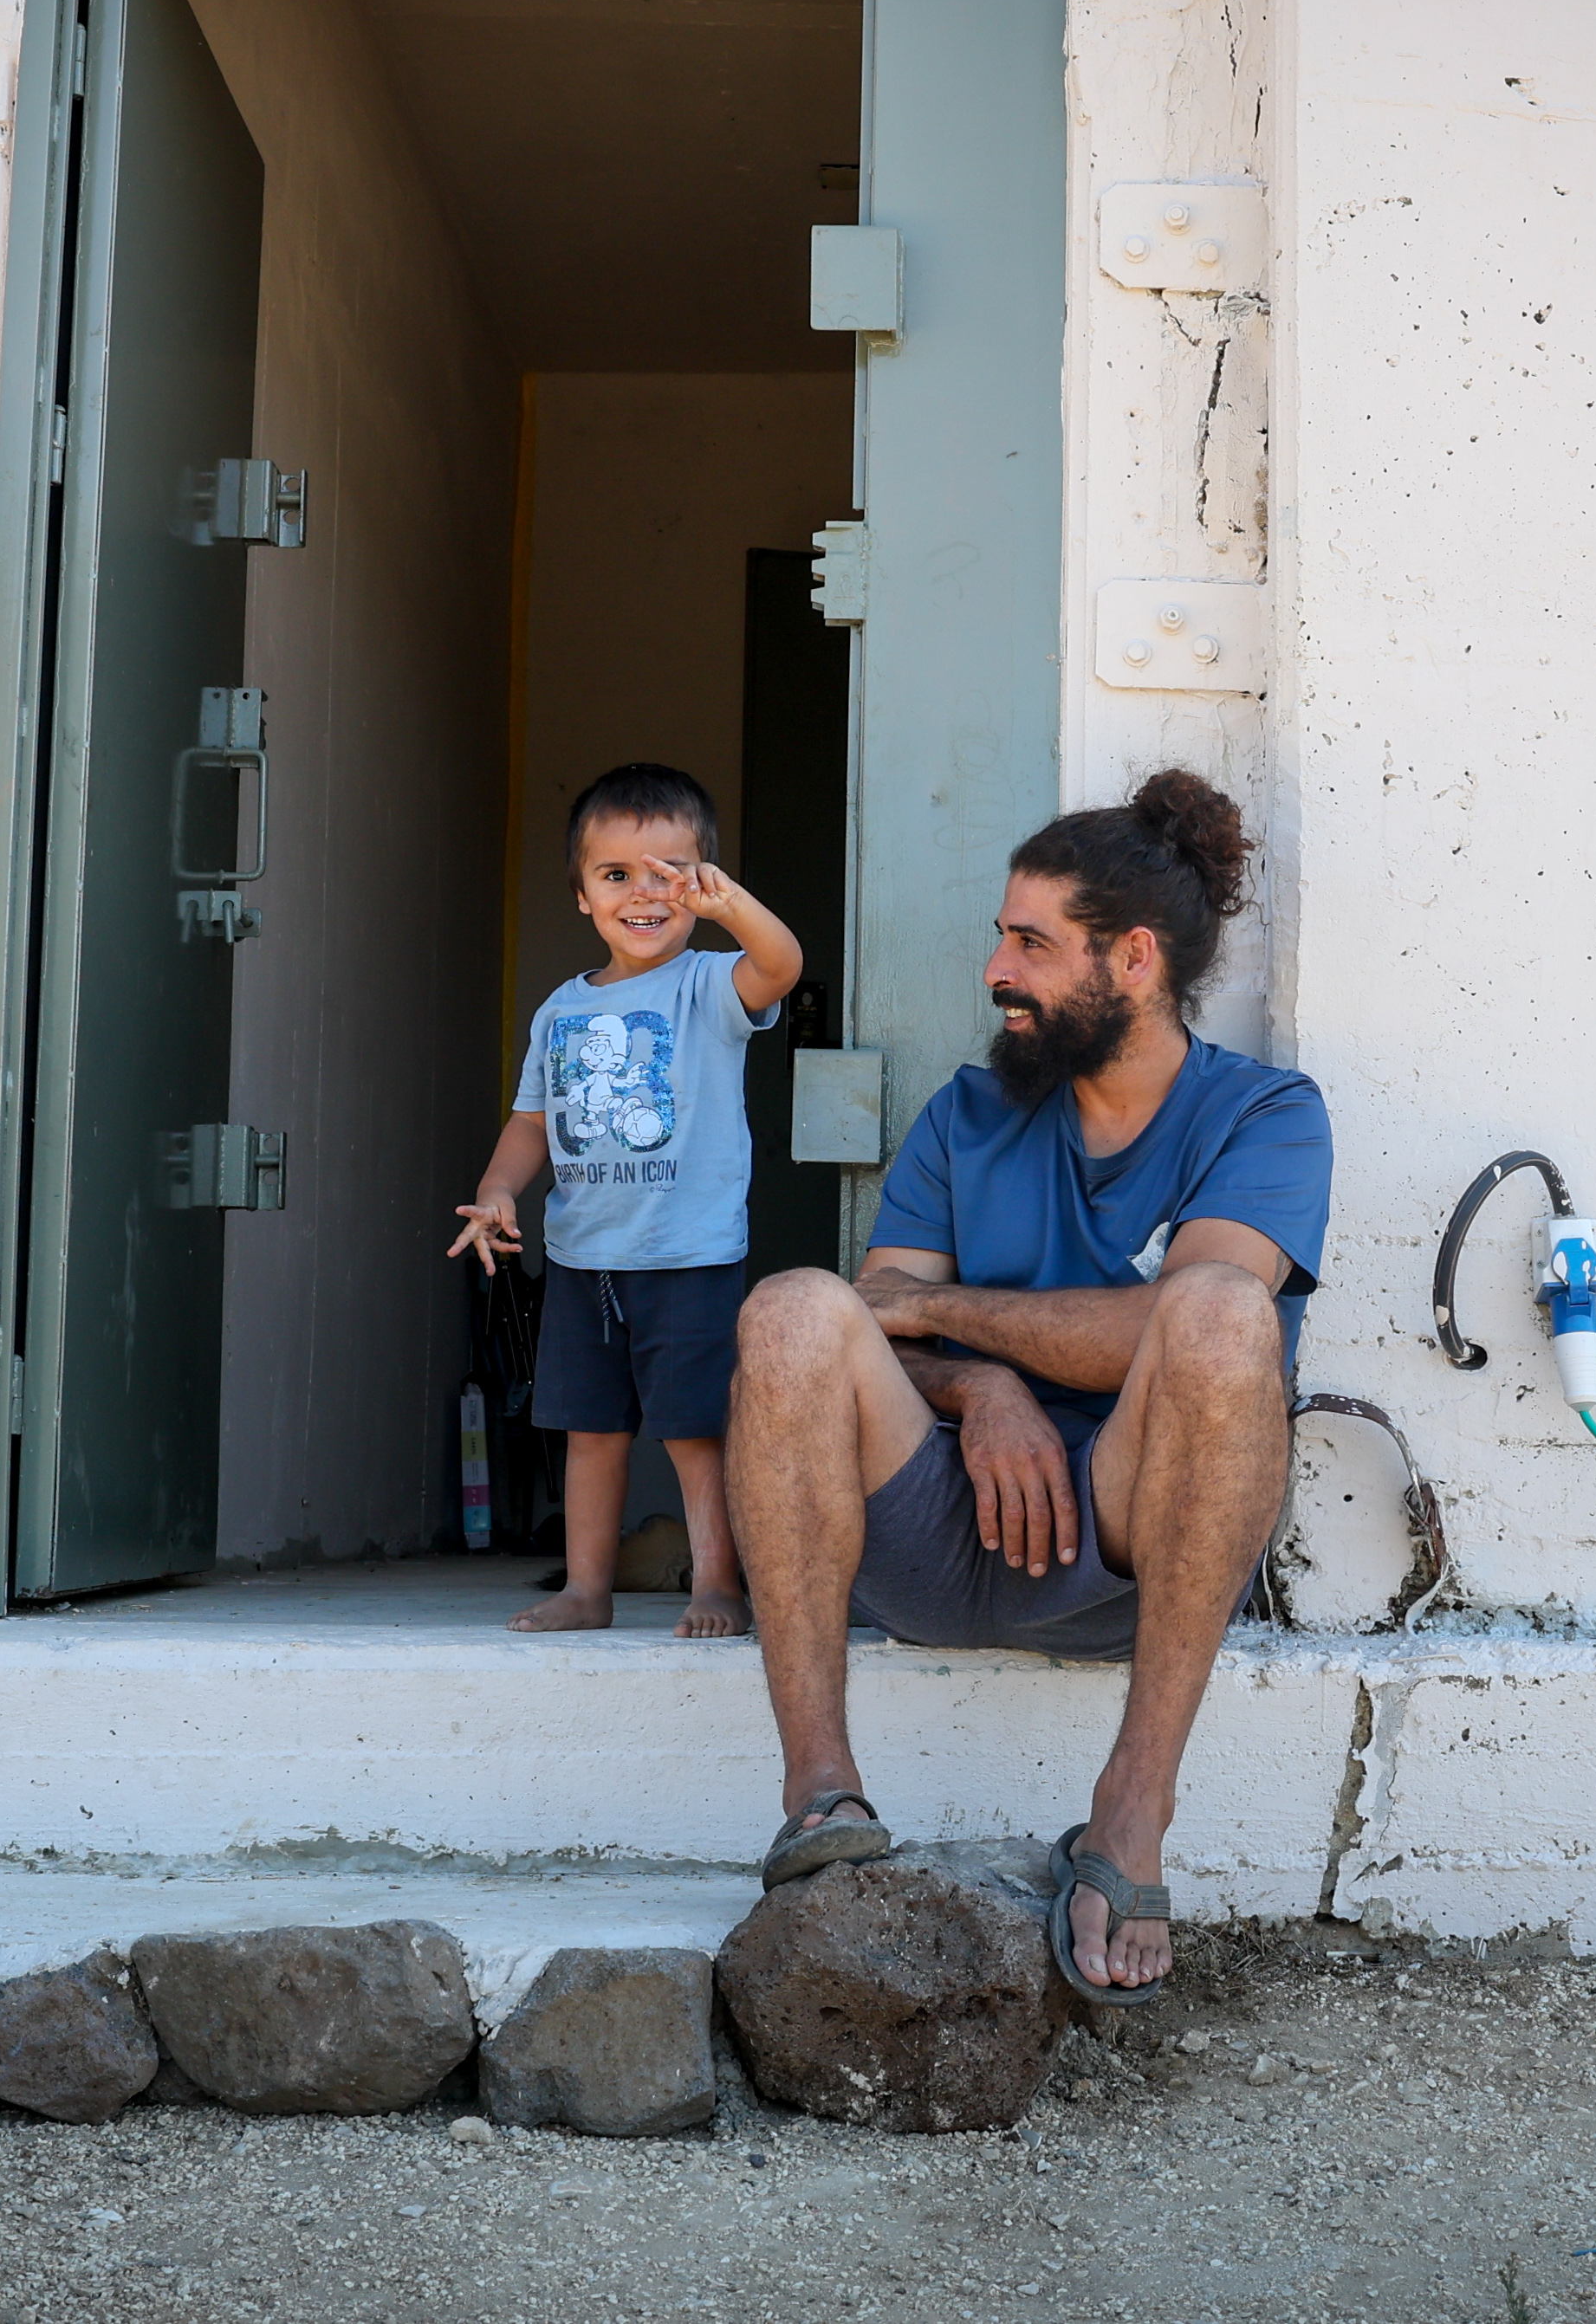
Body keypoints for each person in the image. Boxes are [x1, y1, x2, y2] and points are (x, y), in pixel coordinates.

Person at [724, 768, 1330, 2004]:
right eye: (1000, 936)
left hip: (1125, 1546)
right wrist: (982, 1390)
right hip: (939, 1530)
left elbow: (1162, 1329)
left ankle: (1128, 1811)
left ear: (1134, 960)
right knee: (790, 1311)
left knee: (1219, 1311)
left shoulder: (1264, 1114)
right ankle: (817, 1794)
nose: (996, 970)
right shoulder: (967, 1112)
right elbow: (870, 1326)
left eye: (1030, 943)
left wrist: (954, 1318)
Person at [451, 764, 801, 1638]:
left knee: (694, 1430)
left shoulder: (708, 987)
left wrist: (733, 908)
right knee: (589, 1430)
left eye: (667, 873)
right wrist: (498, 1189)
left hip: (688, 1255)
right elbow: (531, 1119)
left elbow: (782, 963)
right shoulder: (560, 1009)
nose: (642, 894)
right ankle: (586, 1587)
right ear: (581, 894)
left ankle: (716, 1581)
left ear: (702, 882)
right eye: (615, 875)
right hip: (581, 1256)